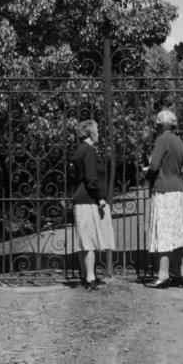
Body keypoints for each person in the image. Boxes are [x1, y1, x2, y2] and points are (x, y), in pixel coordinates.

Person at [142, 108, 183, 288]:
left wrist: (146, 174)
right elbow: (181, 164)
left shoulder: (162, 140)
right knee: (176, 233)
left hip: (163, 190)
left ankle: (163, 275)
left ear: (160, 124)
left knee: (163, 232)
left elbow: (154, 165)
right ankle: (180, 274)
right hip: (177, 190)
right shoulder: (178, 140)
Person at [70, 119, 115, 291]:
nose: (98, 133)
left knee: (84, 239)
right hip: (88, 198)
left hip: (81, 198)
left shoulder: (80, 149)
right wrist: (100, 198)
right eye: (96, 130)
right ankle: (90, 278)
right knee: (89, 240)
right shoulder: (88, 150)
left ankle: (85, 275)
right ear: (90, 132)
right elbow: (91, 177)